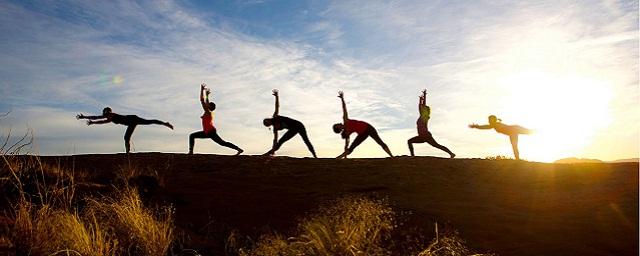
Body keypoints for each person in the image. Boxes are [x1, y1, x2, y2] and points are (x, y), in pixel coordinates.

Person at [76, 107, 173, 153]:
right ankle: (128, 152)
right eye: (105, 114)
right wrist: (92, 123)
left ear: (108, 112)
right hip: (132, 121)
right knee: (127, 137)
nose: (105, 115)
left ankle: (165, 123)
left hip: (132, 120)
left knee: (148, 122)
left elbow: (97, 117)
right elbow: (101, 121)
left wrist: (84, 117)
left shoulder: (112, 115)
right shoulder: (110, 119)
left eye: (106, 113)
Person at [333, 91, 393, 159]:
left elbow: (344, 109)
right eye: (337, 125)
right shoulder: (346, 132)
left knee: (379, 142)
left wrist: (342, 99)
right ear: (339, 129)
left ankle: (392, 156)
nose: (338, 123)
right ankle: (339, 158)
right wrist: (345, 156)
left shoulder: (345, 120)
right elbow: (346, 144)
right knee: (352, 147)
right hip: (362, 134)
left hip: (368, 128)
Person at [188, 83, 243, 155]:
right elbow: (206, 102)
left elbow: (202, 100)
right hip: (206, 132)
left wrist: (202, 90)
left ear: (210, 107)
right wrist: (207, 95)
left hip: (210, 132)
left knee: (222, 143)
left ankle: (238, 149)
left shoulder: (208, 112)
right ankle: (191, 151)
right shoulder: (208, 111)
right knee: (192, 136)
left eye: (208, 104)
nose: (207, 104)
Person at [263, 89, 317, 157]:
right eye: (267, 123)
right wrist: (273, 149)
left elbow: (277, 106)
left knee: (306, 140)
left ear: (269, 119)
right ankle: (270, 152)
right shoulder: (275, 128)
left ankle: (314, 155)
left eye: (267, 120)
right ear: (268, 125)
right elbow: (275, 140)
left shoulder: (275, 117)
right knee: (281, 141)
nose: (268, 121)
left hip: (299, 125)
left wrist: (277, 96)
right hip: (292, 130)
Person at [408, 89, 455, 158]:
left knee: (437, 145)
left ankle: (451, 153)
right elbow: (420, 106)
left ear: (425, 111)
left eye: (423, 109)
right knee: (409, 141)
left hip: (426, 136)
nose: (421, 108)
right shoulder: (422, 116)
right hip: (422, 136)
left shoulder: (425, 117)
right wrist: (421, 99)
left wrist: (424, 96)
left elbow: (422, 105)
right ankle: (412, 156)